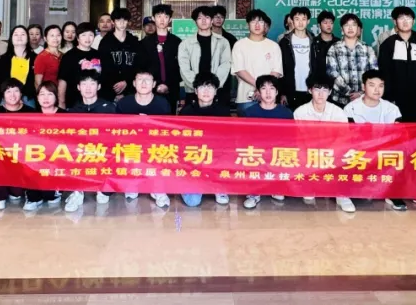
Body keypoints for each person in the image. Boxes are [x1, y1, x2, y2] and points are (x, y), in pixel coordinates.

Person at [344, 69, 406, 211]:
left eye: (381, 86)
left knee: (401, 151)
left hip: (384, 150)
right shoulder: (350, 108)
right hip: (360, 150)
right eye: (372, 85)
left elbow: (396, 135)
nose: (377, 90)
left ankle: (392, 193)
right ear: (363, 86)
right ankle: (348, 192)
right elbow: (349, 137)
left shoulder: (392, 109)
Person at [293, 75, 355, 213]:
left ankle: (342, 195)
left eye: (325, 89)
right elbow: (299, 139)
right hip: (310, 152)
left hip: (332, 152)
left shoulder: (338, 112)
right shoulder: (300, 112)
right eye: (317, 89)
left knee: (348, 155)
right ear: (310, 90)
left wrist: (328, 152)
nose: (321, 94)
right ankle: (309, 184)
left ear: (330, 92)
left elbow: (343, 138)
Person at [116, 69, 171, 208]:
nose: (144, 83)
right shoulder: (124, 103)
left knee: (163, 150)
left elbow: (169, 131)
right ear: (134, 83)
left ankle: (157, 187)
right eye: (140, 79)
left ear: (154, 84)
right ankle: (133, 182)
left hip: (155, 146)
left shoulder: (162, 104)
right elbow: (117, 130)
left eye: (148, 80)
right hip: (132, 146)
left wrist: (150, 124)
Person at [64, 70, 116, 213]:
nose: (88, 88)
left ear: (98, 86)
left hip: (103, 154)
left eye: (92, 84)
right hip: (81, 154)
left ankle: (104, 187)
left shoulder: (110, 108)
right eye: (84, 84)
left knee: (103, 198)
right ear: (78, 87)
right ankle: (77, 192)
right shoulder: (73, 111)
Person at [241, 75, 292, 209]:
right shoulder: (249, 112)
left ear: (277, 92)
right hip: (257, 153)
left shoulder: (286, 113)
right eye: (264, 88)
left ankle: (276, 187)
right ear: (258, 92)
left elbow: (290, 139)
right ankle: (254, 193)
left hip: (277, 153)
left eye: (272, 88)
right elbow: (244, 140)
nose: (268, 92)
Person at [179, 73, 230, 207]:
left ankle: (218, 185)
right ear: (196, 91)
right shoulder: (186, 112)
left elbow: (229, 141)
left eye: (210, 87)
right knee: (193, 202)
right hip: (194, 160)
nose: (206, 91)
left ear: (216, 91)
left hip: (216, 160)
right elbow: (181, 142)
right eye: (202, 87)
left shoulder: (223, 112)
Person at [377, 6, 416, 121]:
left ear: (414, 21)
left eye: (408, 18)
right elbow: (384, 71)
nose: (405, 21)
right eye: (401, 18)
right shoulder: (388, 44)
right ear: (395, 21)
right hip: (396, 97)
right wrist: (388, 96)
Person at [0, 78, 36, 211]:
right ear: (3, 95)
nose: (12, 95)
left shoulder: (31, 112)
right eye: (8, 91)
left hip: (25, 153)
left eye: (16, 91)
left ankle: (30, 196)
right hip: (2, 153)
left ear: (21, 94)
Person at [19, 81, 63, 211]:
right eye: (42, 94)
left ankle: (54, 191)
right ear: (37, 98)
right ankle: (32, 196)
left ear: (56, 96)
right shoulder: (31, 116)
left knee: (50, 197)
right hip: (36, 157)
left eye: (50, 94)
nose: (45, 98)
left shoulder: (65, 115)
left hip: (58, 158)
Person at [232, 10, 283, 116]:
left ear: (265, 25)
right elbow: (240, 70)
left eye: (260, 22)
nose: (257, 25)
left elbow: (276, 71)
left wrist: (263, 89)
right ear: (248, 25)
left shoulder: (274, 46)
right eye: (253, 21)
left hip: (269, 99)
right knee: (246, 126)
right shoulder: (239, 45)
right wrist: (260, 87)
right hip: (246, 98)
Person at [178, 6, 232, 104]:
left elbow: (225, 65)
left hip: (217, 91)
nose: (203, 21)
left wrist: (213, 86)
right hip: (193, 91)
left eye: (207, 17)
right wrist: (198, 86)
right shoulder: (185, 44)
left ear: (211, 21)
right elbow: (184, 69)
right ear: (195, 21)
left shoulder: (223, 42)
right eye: (200, 18)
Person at [325, 13, 378, 107]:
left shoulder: (368, 49)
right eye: (346, 25)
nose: (350, 28)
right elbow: (332, 73)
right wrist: (349, 93)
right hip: (339, 100)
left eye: (353, 25)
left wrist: (361, 93)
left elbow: (374, 73)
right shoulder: (334, 48)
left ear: (358, 29)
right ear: (342, 30)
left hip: (363, 100)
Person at [98, 8, 146, 100]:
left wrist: (127, 82)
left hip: (131, 89)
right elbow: (104, 68)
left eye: (125, 20)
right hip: (109, 90)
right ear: (113, 22)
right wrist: (114, 90)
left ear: (128, 22)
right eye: (118, 20)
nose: (122, 23)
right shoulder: (105, 42)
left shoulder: (135, 42)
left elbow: (140, 65)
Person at [279, 6, 319, 110]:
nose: (300, 22)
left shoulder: (315, 42)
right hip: (291, 90)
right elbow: (280, 67)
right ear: (292, 21)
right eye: (297, 19)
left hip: (310, 91)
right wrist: (282, 93)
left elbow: (318, 67)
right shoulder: (285, 42)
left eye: (303, 19)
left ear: (308, 21)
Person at [141, 4, 181, 109]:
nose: (162, 20)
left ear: (170, 19)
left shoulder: (177, 42)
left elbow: (180, 67)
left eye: (166, 17)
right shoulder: (144, 43)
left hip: (171, 89)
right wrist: (156, 84)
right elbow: (142, 67)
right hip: (149, 89)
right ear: (153, 18)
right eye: (159, 16)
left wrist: (167, 85)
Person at [58, 22, 102, 108]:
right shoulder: (68, 56)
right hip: (74, 103)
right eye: (83, 35)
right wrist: (61, 103)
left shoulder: (98, 54)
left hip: (95, 103)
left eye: (91, 35)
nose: (87, 38)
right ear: (77, 38)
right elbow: (62, 82)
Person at [0, 25, 38, 108]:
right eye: (16, 34)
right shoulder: (4, 59)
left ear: (28, 38)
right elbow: (1, 80)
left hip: (28, 97)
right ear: (11, 39)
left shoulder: (36, 58)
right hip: (8, 97)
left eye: (23, 34)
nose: (19, 37)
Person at [312, 10, 338, 77]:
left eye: (331, 23)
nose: (329, 25)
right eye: (325, 23)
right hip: (317, 81)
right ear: (319, 25)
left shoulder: (339, 43)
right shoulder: (313, 42)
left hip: (336, 81)